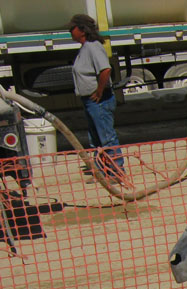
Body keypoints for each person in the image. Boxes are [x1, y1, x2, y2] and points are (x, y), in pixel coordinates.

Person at [67, 14, 125, 182]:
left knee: (106, 138)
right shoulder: (85, 48)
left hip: (99, 101)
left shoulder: (93, 47)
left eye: (72, 28)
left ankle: (116, 172)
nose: (70, 31)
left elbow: (105, 70)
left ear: (82, 30)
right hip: (91, 101)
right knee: (96, 139)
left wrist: (99, 91)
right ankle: (102, 172)